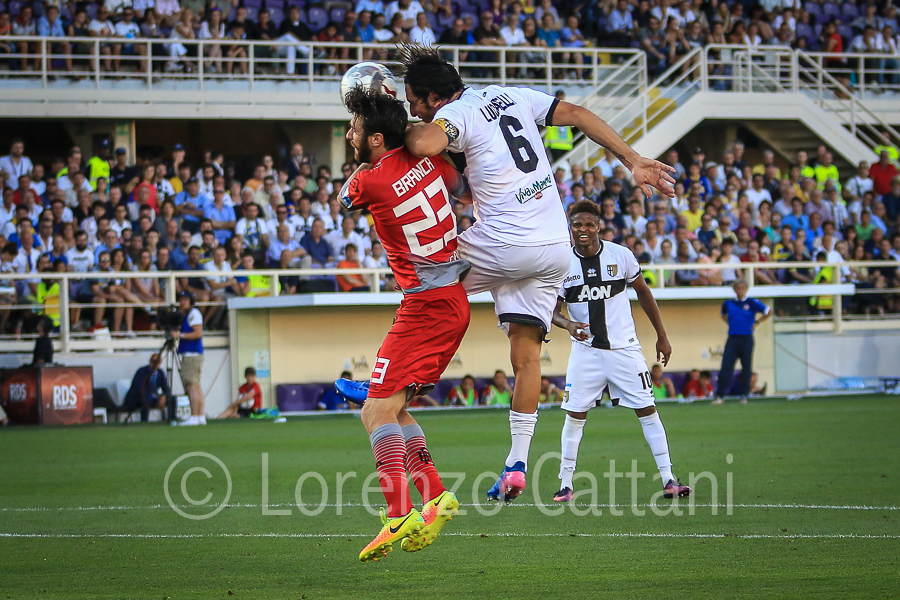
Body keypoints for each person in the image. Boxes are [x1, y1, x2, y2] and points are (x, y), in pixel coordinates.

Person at [400, 44, 676, 503]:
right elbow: (578, 114)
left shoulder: (456, 113)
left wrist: (397, 127)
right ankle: (516, 465)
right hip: (554, 249)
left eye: (414, 102)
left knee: (419, 279)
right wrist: (632, 159)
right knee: (526, 358)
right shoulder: (511, 94)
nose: (414, 111)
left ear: (434, 98)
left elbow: (425, 143)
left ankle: (393, 379)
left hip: (507, 243)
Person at [333, 87, 470, 562]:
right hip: (449, 299)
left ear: (375, 139)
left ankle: (397, 515)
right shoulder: (429, 161)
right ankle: (434, 495)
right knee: (392, 408)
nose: (348, 135)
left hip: (425, 305)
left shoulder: (369, 180)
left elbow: (343, 198)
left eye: (354, 129)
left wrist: (373, 150)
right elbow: (456, 182)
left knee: (373, 413)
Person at [550, 201, 689, 503]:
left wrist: (662, 336)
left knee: (647, 409)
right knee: (575, 415)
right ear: (570, 227)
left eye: (589, 224)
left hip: (625, 349)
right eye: (577, 224)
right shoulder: (562, 264)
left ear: (599, 226)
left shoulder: (620, 255)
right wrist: (568, 324)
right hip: (586, 352)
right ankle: (565, 485)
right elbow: (551, 310)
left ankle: (669, 479)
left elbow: (644, 292)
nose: (583, 230)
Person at [713, 278, 771, 404]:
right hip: (733, 337)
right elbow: (723, 315)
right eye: (738, 288)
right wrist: (731, 323)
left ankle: (744, 394)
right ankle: (720, 395)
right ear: (734, 289)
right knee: (726, 366)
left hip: (746, 338)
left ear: (746, 289)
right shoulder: (728, 303)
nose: (740, 291)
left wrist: (757, 322)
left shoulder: (752, 302)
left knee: (746, 367)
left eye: (742, 288)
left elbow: (768, 311)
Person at [170, 291, 206, 425]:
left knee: (192, 386)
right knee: (195, 386)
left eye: (185, 300)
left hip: (191, 354)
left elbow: (197, 333)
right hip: (190, 353)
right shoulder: (186, 315)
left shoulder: (194, 313)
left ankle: (195, 415)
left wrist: (179, 335)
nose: (182, 302)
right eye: (181, 300)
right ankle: (200, 415)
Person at [123, 353, 171, 422]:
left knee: (172, 399)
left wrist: (164, 396)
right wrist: (154, 397)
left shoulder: (160, 373)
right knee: (147, 399)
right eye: (153, 361)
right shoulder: (142, 371)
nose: (155, 364)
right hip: (138, 397)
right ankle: (144, 421)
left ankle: (171, 420)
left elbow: (166, 388)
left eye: (157, 362)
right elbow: (138, 388)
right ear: (150, 361)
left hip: (153, 397)